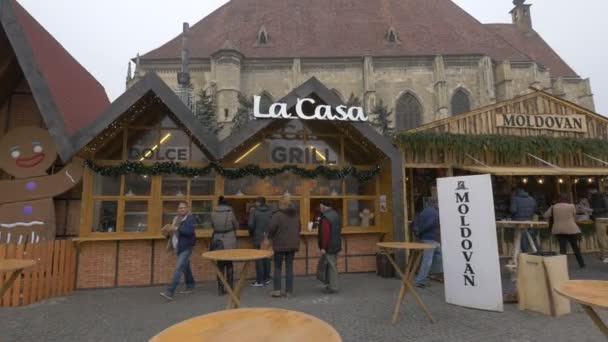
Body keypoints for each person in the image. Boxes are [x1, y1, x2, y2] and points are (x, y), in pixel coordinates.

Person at [160, 202, 196, 301]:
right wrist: (166, 233)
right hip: (178, 247)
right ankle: (190, 285)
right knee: (185, 267)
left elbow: (189, 232)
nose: (182, 209)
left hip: (186, 247)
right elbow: (173, 234)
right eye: (180, 208)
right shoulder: (176, 219)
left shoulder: (190, 219)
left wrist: (175, 228)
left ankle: (169, 292)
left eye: (184, 208)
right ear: (178, 210)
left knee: (178, 268)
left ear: (188, 209)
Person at [267, 196, 300, 297]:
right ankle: (289, 291)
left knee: (277, 267)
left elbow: (271, 228)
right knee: (289, 267)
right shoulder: (295, 215)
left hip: (280, 244)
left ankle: (277, 290)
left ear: (281, 204)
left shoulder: (277, 215)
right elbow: (299, 228)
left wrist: (269, 237)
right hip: (293, 244)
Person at [544, 193, 585, 268]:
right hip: (571, 228)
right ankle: (581, 264)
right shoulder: (571, 206)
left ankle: (563, 266)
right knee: (575, 246)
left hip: (559, 229)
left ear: (558, 199)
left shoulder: (553, 207)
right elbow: (574, 216)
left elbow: (545, 215)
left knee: (562, 248)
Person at [211, 196, 239, 295]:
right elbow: (236, 225)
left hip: (217, 239)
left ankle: (220, 288)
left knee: (220, 265)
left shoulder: (213, 213)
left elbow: (212, 226)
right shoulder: (230, 213)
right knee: (229, 264)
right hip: (229, 239)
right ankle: (230, 287)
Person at [412, 198, 442, 288]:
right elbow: (429, 224)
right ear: (435, 203)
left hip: (429, 238)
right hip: (431, 238)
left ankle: (428, 275)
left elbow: (416, 222)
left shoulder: (424, 211)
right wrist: (420, 231)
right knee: (428, 260)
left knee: (439, 256)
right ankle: (420, 280)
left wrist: (419, 233)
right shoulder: (434, 212)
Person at [318, 200, 342, 294]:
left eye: (320, 207)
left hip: (329, 246)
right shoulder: (335, 214)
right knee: (332, 265)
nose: (320, 209)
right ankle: (330, 284)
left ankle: (334, 286)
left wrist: (323, 247)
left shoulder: (325, 218)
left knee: (331, 266)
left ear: (324, 206)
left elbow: (325, 234)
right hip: (336, 244)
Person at [248, 197, 272, 287]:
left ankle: (260, 280)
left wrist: (251, 234)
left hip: (258, 237)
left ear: (258, 203)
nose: (255, 204)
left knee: (259, 259)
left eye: (256, 202)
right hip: (267, 238)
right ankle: (267, 278)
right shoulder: (270, 211)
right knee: (267, 258)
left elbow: (250, 225)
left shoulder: (254, 212)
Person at [510, 188, 538, 252]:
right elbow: (535, 209)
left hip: (519, 221)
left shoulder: (515, 199)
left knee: (521, 237)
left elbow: (513, 210)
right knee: (531, 237)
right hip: (530, 220)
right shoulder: (531, 198)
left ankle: (525, 253)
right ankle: (536, 252)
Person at [589, 187, 608, 263]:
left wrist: (594, 210)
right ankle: (604, 254)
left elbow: (606, 208)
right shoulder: (603, 196)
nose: (589, 191)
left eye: (590, 190)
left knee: (601, 238)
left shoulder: (596, 197)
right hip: (605, 218)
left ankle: (605, 255)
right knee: (604, 237)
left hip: (600, 219)